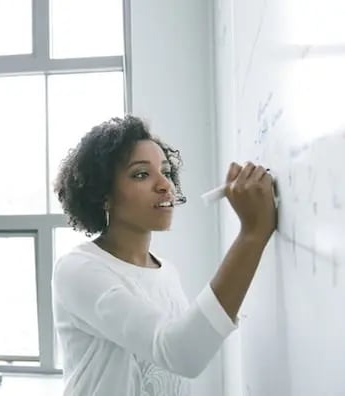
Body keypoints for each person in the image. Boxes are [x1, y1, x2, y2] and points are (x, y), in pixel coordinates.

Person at [51, 115, 277, 395]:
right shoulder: (77, 270)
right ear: (103, 195)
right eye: (141, 174)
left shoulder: (166, 271)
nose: (165, 185)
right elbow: (181, 353)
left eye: (167, 172)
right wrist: (252, 234)